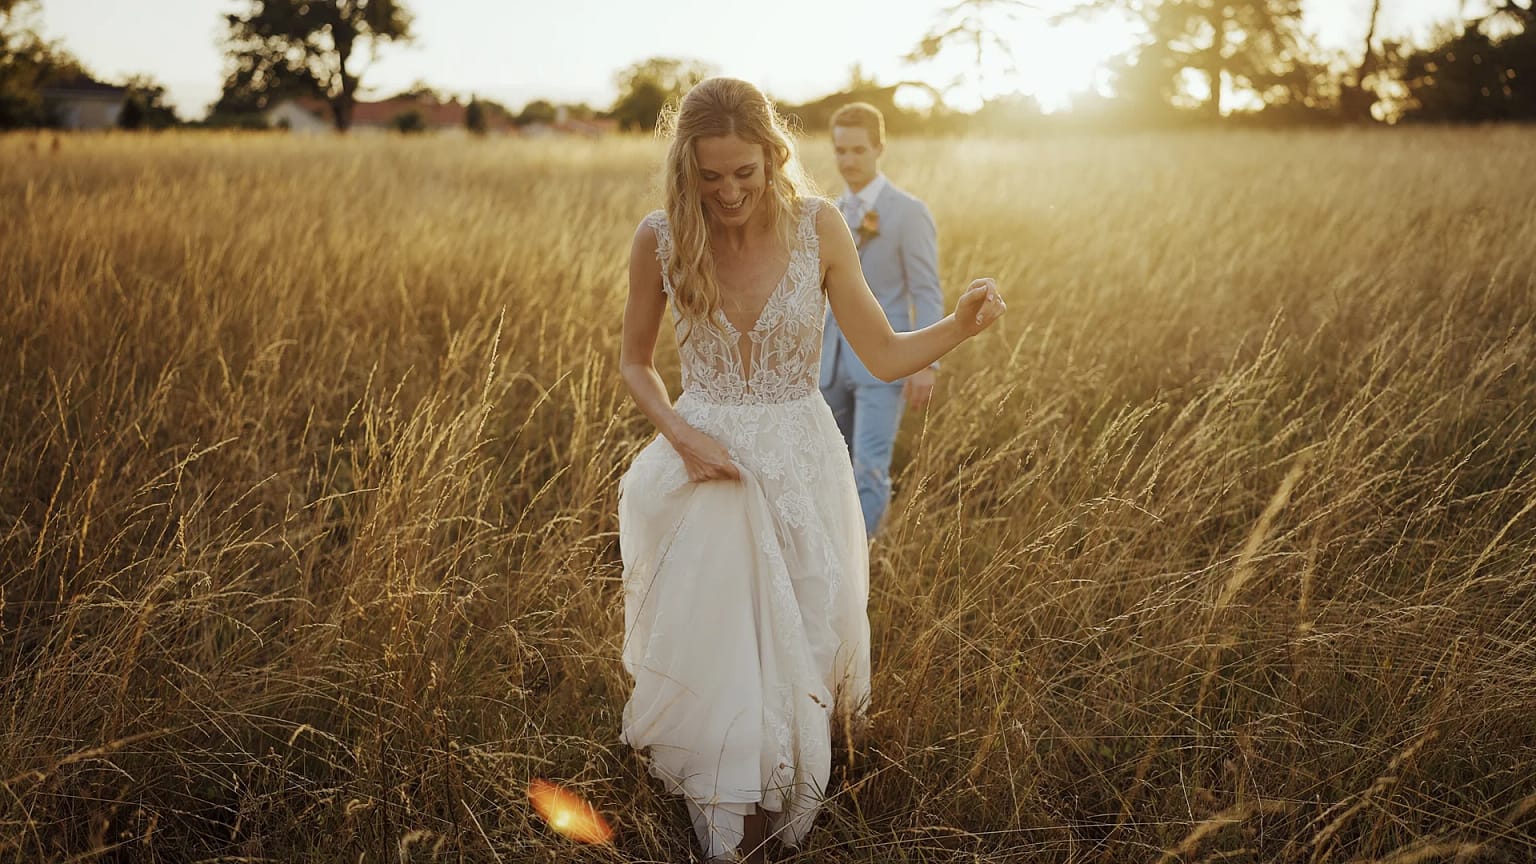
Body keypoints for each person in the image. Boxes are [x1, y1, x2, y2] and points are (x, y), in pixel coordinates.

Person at [616, 77, 1005, 864]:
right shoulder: (659, 237)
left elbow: (885, 353)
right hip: (711, 468)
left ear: (773, 155)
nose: (727, 191)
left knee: (801, 640)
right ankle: (737, 826)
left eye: (744, 173)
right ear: (685, 166)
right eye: (709, 174)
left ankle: (789, 796)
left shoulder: (819, 227)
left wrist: (958, 327)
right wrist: (682, 435)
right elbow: (634, 363)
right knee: (728, 651)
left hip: (802, 461)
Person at [820, 102, 944, 539]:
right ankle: (830, 557)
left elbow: (925, 291)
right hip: (828, 362)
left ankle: (864, 566)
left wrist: (925, 363)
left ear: (879, 148)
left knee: (869, 469)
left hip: (883, 362)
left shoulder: (908, 212)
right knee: (826, 470)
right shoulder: (827, 214)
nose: (848, 160)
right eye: (840, 151)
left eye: (857, 150)